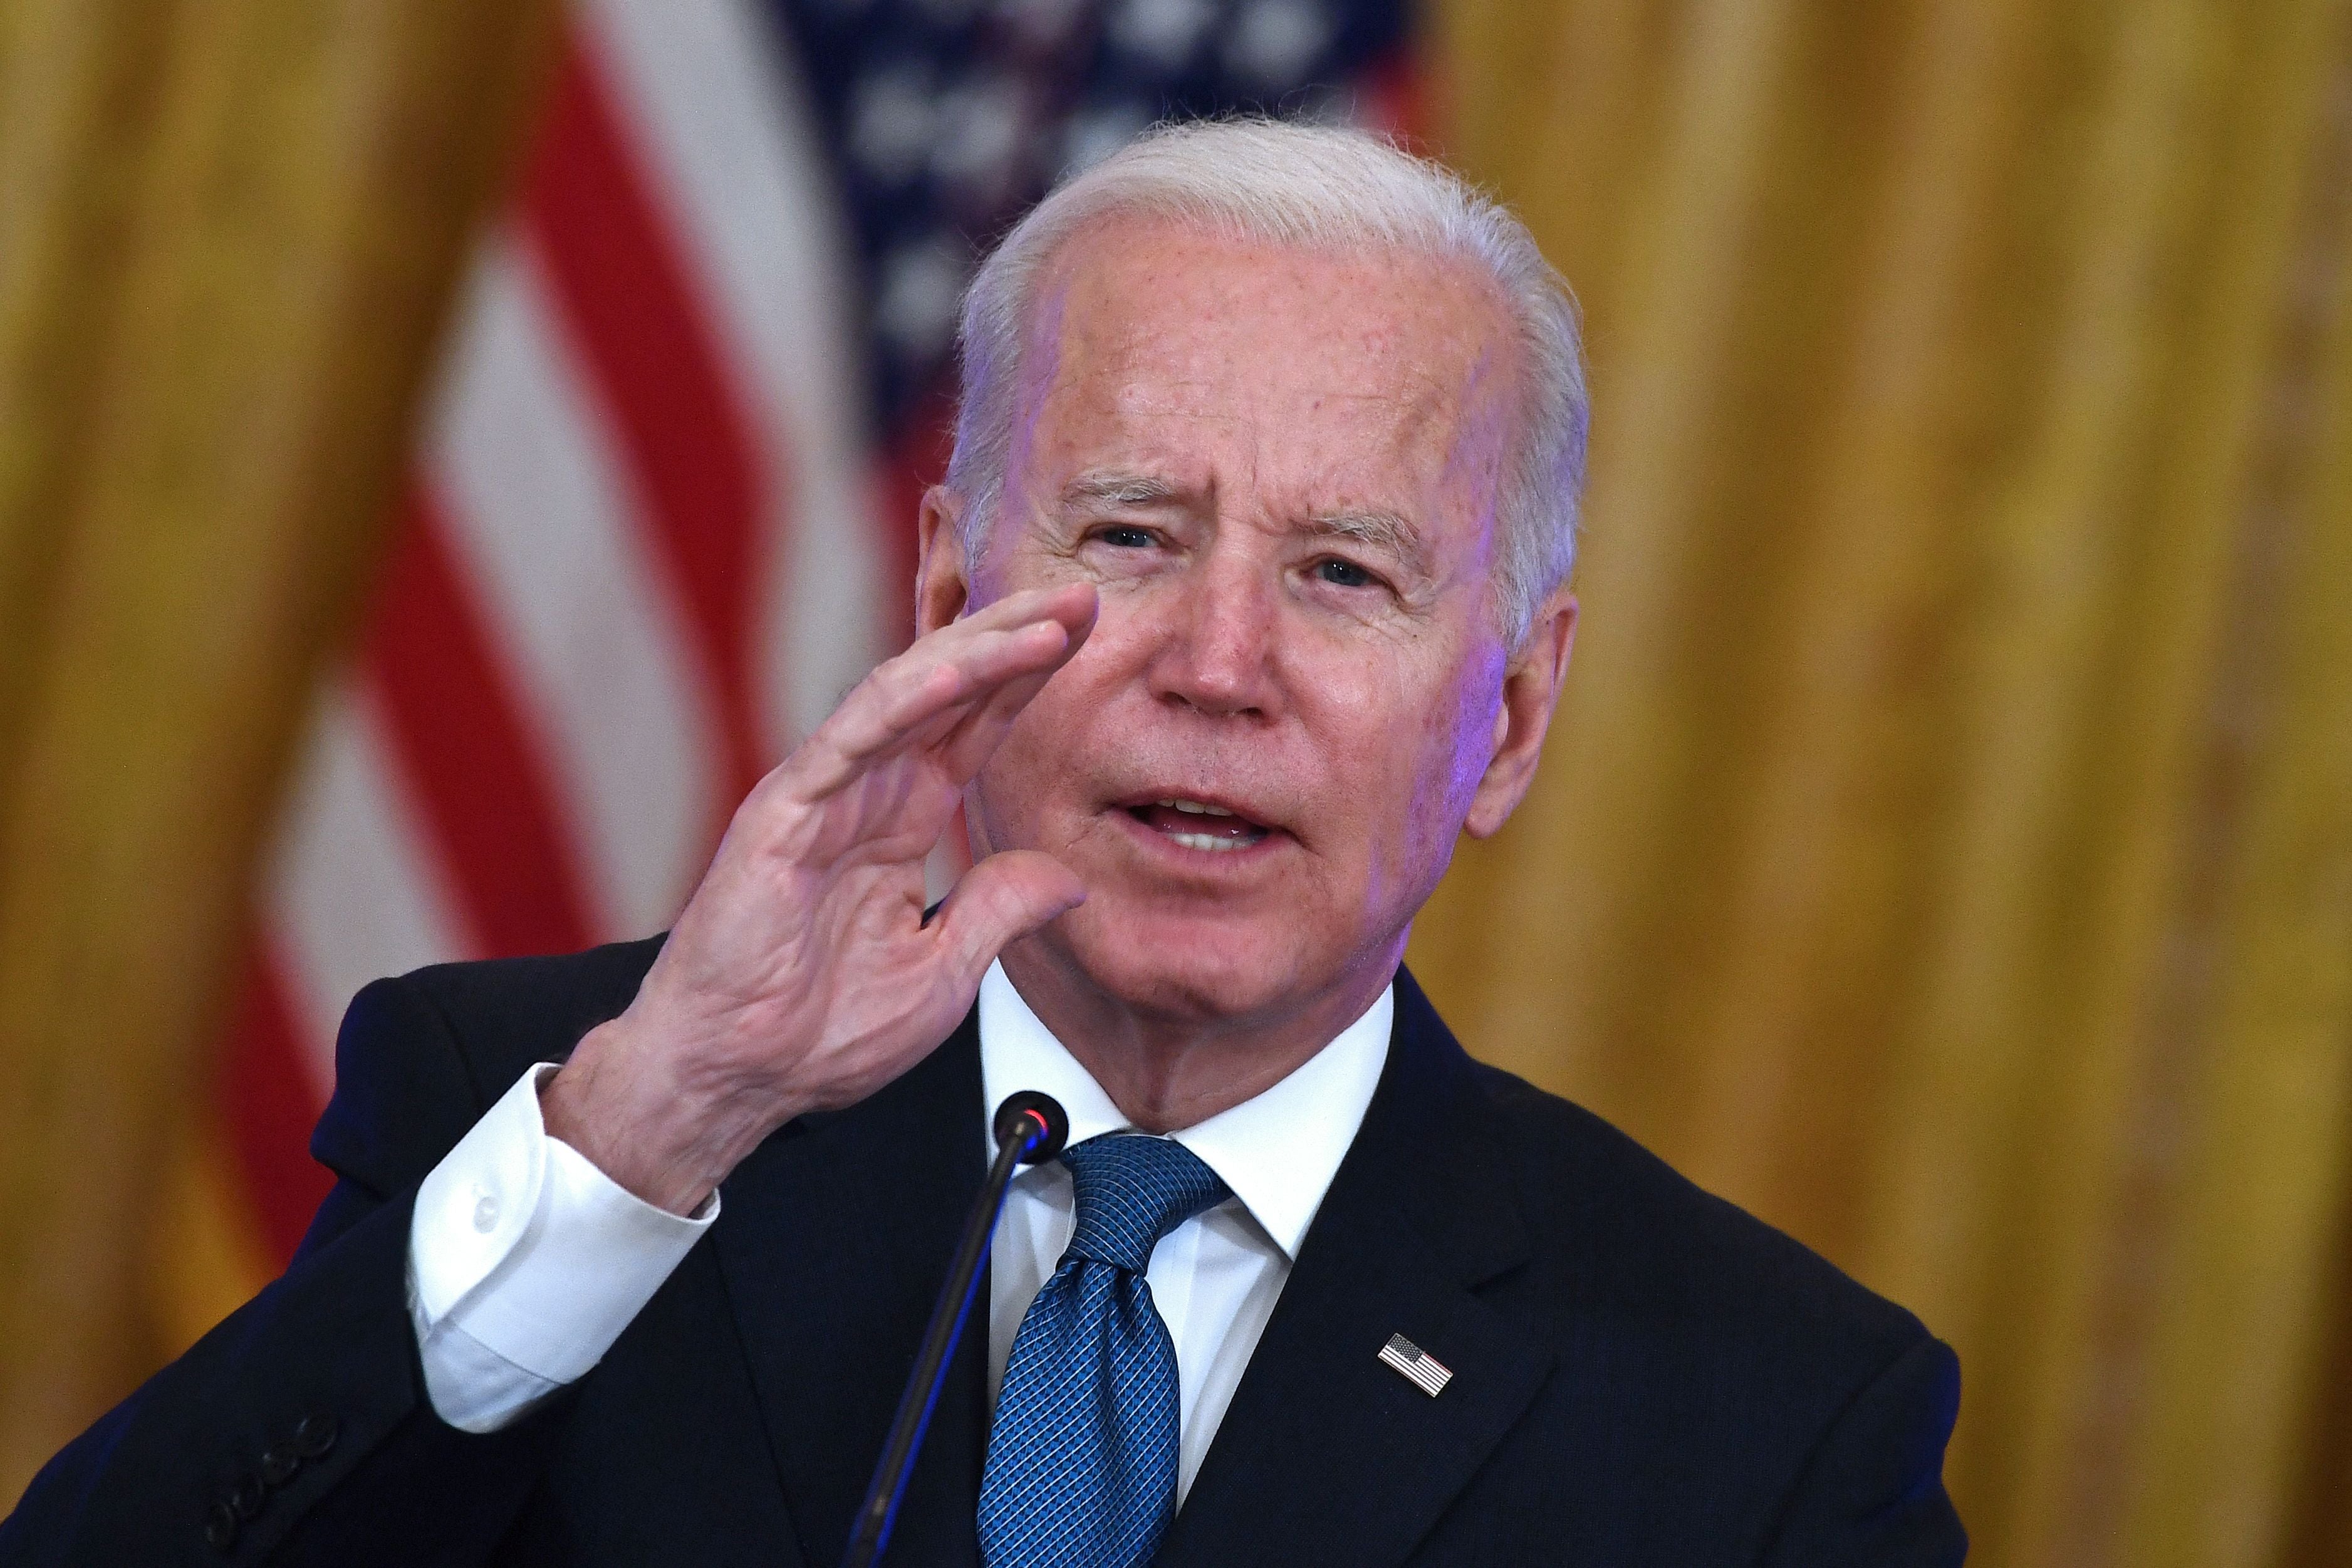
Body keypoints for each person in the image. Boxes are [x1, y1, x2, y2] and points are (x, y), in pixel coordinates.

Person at [1, 119, 1964, 1567]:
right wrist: (639, 1147)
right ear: (949, 590)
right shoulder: (540, 1113)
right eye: (1127, 534)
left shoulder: (1765, 1423)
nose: (1218, 665)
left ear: (1512, 716)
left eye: (1345, 572)